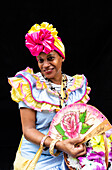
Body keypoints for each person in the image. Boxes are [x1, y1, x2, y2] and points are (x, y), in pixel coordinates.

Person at [8, 22, 91, 170]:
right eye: (41, 60)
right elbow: (28, 130)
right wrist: (59, 145)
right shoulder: (30, 86)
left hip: (68, 156)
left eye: (50, 58)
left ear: (62, 57)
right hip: (37, 158)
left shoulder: (76, 86)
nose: (45, 64)